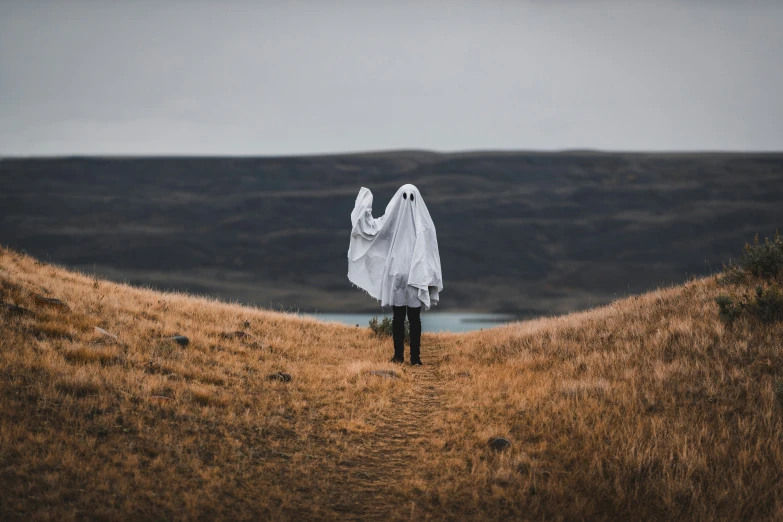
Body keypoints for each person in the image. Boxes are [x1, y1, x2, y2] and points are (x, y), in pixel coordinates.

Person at [347, 184, 443, 365]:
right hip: (400, 276)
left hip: (413, 277)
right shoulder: (396, 222)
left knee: (411, 318)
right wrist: (364, 209)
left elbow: (431, 253)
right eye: (405, 197)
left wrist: (430, 279)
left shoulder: (424, 226)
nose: (407, 201)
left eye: (411, 197)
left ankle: (413, 357)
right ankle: (401, 356)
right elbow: (372, 229)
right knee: (402, 317)